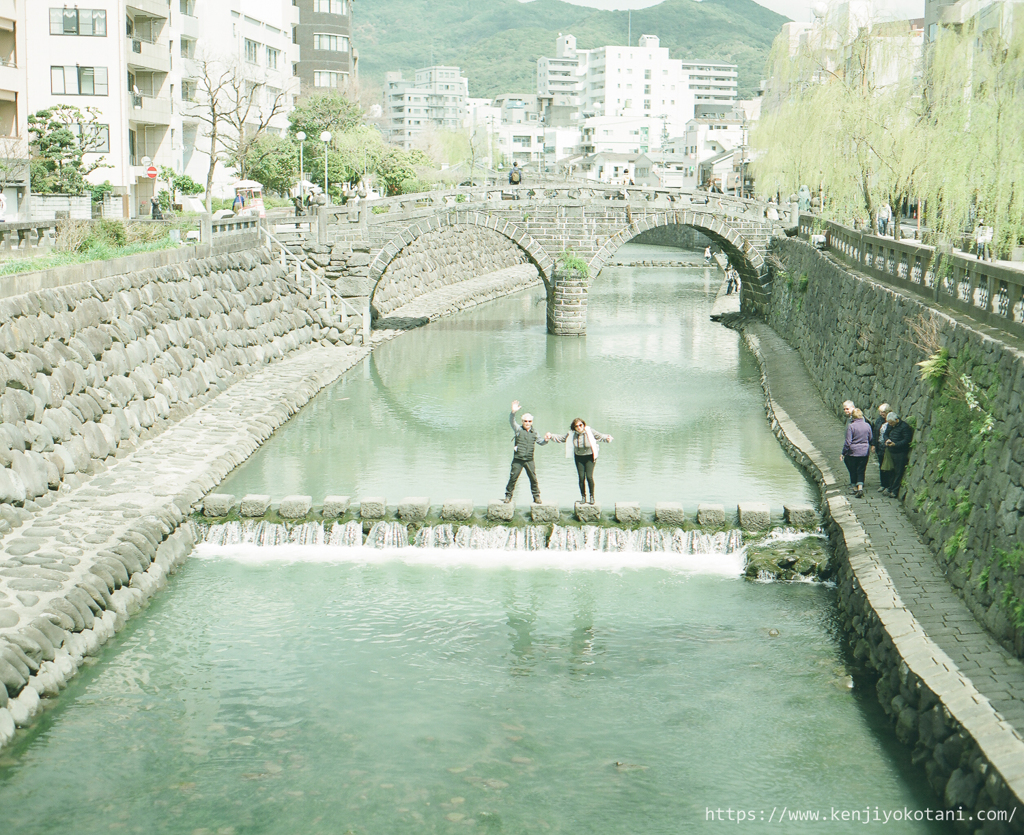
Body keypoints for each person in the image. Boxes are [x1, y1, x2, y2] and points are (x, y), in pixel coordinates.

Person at [546, 418, 613, 504]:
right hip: (579, 457)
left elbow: (600, 436)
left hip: (590, 456)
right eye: (576, 426)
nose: (579, 427)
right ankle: (583, 497)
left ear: (583, 425)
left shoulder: (590, 431)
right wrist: (551, 436)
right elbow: (562, 438)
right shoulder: (572, 434)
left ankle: (592, 497)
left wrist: (607, 438)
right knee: (581, 477)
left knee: (589, 477)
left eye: (580, 425)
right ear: (574, 427)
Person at [504, 400, 548, 504]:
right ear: (522, 421)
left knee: (533, 478)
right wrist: (513, 412)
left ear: (532, 422)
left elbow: (541, 442)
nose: (527, 423)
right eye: (525, 421)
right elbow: (512, 421)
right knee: (513, 478)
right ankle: (508, 496)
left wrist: (546, 440)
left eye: (529, 421)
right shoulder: (518, 429)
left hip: (529, 460)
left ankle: (536, 496)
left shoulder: (534, 432)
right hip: (518, 460)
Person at [840, 407, 873, 498]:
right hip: (864, 451)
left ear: (853, 417)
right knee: (861, 470)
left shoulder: (851, 426)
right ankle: (860, 488)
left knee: (853, 470)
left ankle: (854, 488)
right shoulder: (867, 425)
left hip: (853, 452)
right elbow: (870, 438)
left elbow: (848, 442)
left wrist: (843, 453)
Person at [882, 412, 913, 498]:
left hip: (900, 452)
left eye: (891, 423)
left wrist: (896, 444)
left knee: (898, 472)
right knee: (890, 470)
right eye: (889, 423)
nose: (890, 425)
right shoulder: (890, 426)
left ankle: (894, 490)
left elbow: (906, 440)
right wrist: (887, 440)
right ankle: (890, 487)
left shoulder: (904, 427)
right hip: (891, 451)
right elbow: (885, 434)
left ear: (896, 420)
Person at [873, 403, 892, 492]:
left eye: (883, 412)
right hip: (880, 446)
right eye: (880, 412)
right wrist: (873, 444)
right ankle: (883, 484)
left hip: (888, 447)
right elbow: (875, 432)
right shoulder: (879, 420)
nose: (881, 414)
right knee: (881, 466)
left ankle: (888, 485)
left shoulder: (891, 421)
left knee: (888, 466)